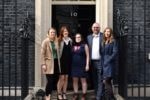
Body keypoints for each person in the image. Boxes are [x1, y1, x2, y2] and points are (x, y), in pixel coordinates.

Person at [41, 27, 61, 100]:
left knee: (56, 79)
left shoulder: (56, 41)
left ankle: (49, 93)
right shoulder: (45, 41)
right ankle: (47, 95)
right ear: (48, 34)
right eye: (51, 32)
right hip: (49, 63)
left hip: (56, 63)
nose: (53, 33)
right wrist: (43, 64)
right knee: (50, 81)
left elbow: (57, 53)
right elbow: (42, 53)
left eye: (54, 32)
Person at [87, 22, 103, 100]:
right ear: (92, 28)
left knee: (100, 79)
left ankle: (98, 97)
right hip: (92, 62)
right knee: (94, 79)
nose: (95, 29)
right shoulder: (89, 37)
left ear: (99, 28)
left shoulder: (103, 36)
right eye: (94, 27)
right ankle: (97, 94)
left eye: (97, 27)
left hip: (100, 61)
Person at [100, 27, 118, 100]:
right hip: (104, 63)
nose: (107, 33)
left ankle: (109, 98)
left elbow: (115, 52)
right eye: (106, 31)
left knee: (107, 81)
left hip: (110, 64)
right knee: (108, 82)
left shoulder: (113, 41)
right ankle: (112, 98)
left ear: (110, 33)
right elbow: (102, 54)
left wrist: (108, 60)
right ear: (104, 33)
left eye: (108, 31)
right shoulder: (103, 41)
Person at [71, 33, 89, 100]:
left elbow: (87, 56)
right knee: (75, 80)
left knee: (83, 80)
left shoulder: (84, 45)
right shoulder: (72, 46)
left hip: (82, 65)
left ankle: (84, 94)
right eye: (76, 37)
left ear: (81, 38)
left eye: (79, 37)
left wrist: (87, 65)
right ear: (75, 38)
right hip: (74, 65)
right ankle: (76, 94)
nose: (77, 38)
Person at [57, 26, 72, 100]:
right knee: (61, 78)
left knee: (66, 78)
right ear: (62, 32)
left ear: (68, 32)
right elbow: (56, 52)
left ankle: (64, 93)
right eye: (64, 31)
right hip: (61, 62)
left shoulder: (70, 40)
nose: (65, 32)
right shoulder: (59, 40)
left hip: (68, 62)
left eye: (66, 31)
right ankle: (59, 93)